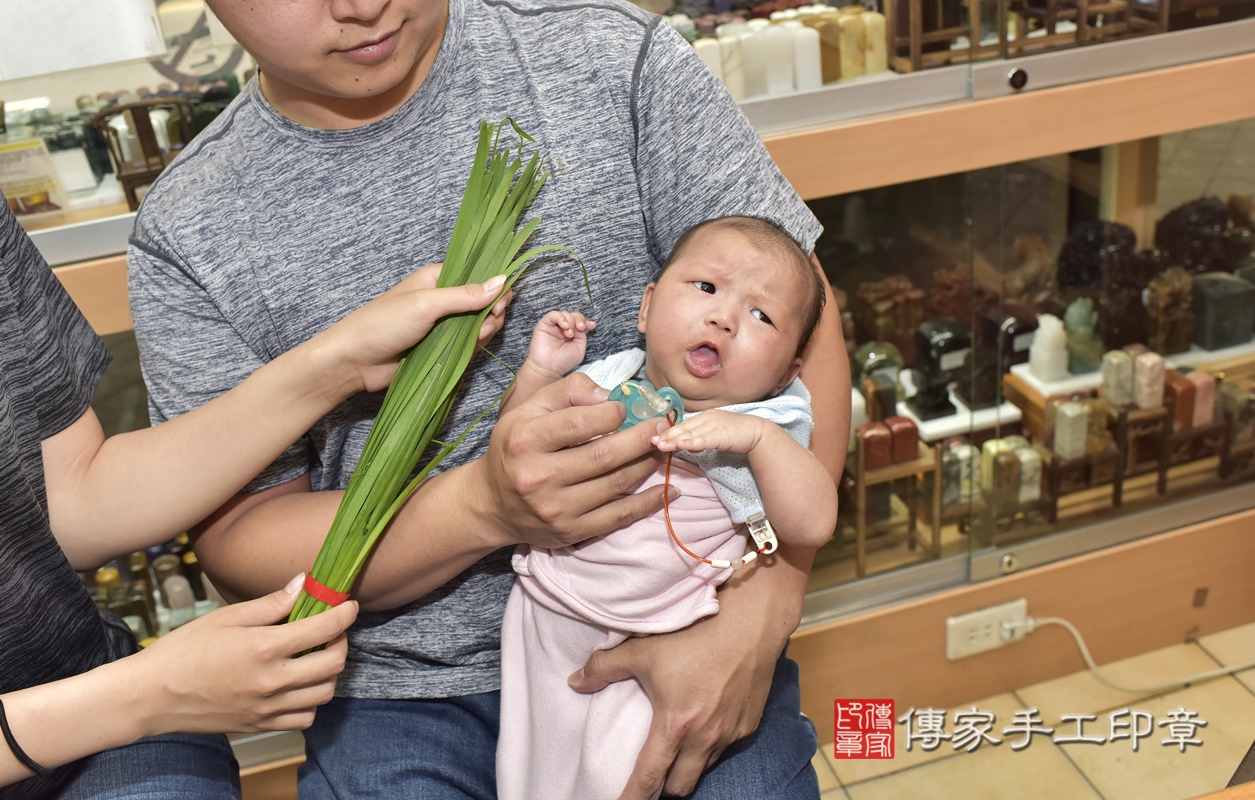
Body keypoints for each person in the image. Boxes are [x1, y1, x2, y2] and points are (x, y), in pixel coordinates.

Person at [128, 0, 851, 797]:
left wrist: (764, 607)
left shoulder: (608, 56)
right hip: (399, 686)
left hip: (683, 622)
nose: (360, 6)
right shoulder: (190, 228)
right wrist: (485, 508)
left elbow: (797, 325)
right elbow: (240, 537)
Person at [0, 201, 509, 799]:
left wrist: (337, 363)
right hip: (88, 711)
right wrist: (146, 695)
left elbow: (71, 498)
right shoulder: (183, 226)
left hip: (84, 687)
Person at [496, 216, 840, 800]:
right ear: (647, 308)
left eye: (761, 316)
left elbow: (813, 522)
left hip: (667, 628)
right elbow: (514, 448)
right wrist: (537, 375)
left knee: (619, 776)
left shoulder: (769, 422)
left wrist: (757, 443)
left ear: (786, 374)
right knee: (533, 771)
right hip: (548, 614)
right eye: (706, 288)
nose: (724, 317)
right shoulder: (609, 378)